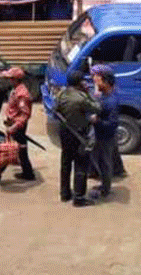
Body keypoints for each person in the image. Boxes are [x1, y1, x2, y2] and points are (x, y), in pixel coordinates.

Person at [55, 70, 101, 206]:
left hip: (64, 133)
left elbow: (55, 108)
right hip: (79, 134)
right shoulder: (81, 98)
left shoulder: (61, 94)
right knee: (80, 165)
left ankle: (64, 194)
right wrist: (89, 93)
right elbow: (97, 108)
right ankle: (79, 197)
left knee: (65, 163)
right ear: (80, 82)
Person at [0, 66, 35, 185]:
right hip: (13, 125)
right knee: (21, 149)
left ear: (15, 80)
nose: (8, 80)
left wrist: (14, 127)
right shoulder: (15, 89)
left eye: (10, 78)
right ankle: (28, 173)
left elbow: (25, 114)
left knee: (5, 152)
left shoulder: (22, 94)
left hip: (16, 126)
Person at [89, 64, 119, 200]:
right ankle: (104, 185)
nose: (95, 82)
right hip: (101, 134)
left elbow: (112, 124)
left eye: (98, 80)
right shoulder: (106, 94)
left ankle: (105, 190)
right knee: (101, 161)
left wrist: (97, 121)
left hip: (106, 136)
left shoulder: (111, 101)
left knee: (105, 163)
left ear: (106, 81)